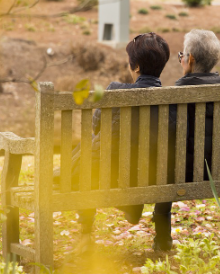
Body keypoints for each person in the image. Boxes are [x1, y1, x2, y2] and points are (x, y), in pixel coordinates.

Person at [54, 32, 173, 251]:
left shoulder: (116, 91)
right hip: (156, 175)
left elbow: (97, 126)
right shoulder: (174, 100)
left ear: (136, 67)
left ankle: (86, 234)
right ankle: (162, 237)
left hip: (113, 174)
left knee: (88, 151)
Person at [175, 29, 220, 182]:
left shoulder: (180, 92)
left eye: (182, 56)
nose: (181, 60)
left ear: (191, 59)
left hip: (185, 175)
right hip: (219, 172)